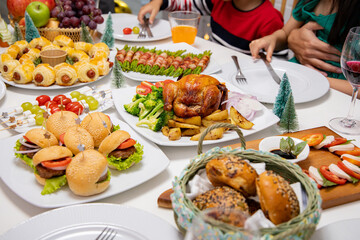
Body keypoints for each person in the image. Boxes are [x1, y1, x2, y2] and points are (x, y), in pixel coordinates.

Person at [249, 0, 360, 96]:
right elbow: (285, 33)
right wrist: (272, 39)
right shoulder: (310, 2)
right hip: (295, 78)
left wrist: (311, 78)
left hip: (334, 91)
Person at [138, 0, 284, 54]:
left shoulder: (270, 19)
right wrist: (158, 2)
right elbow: (186, 5)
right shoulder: (219, 2)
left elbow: (275, 67)